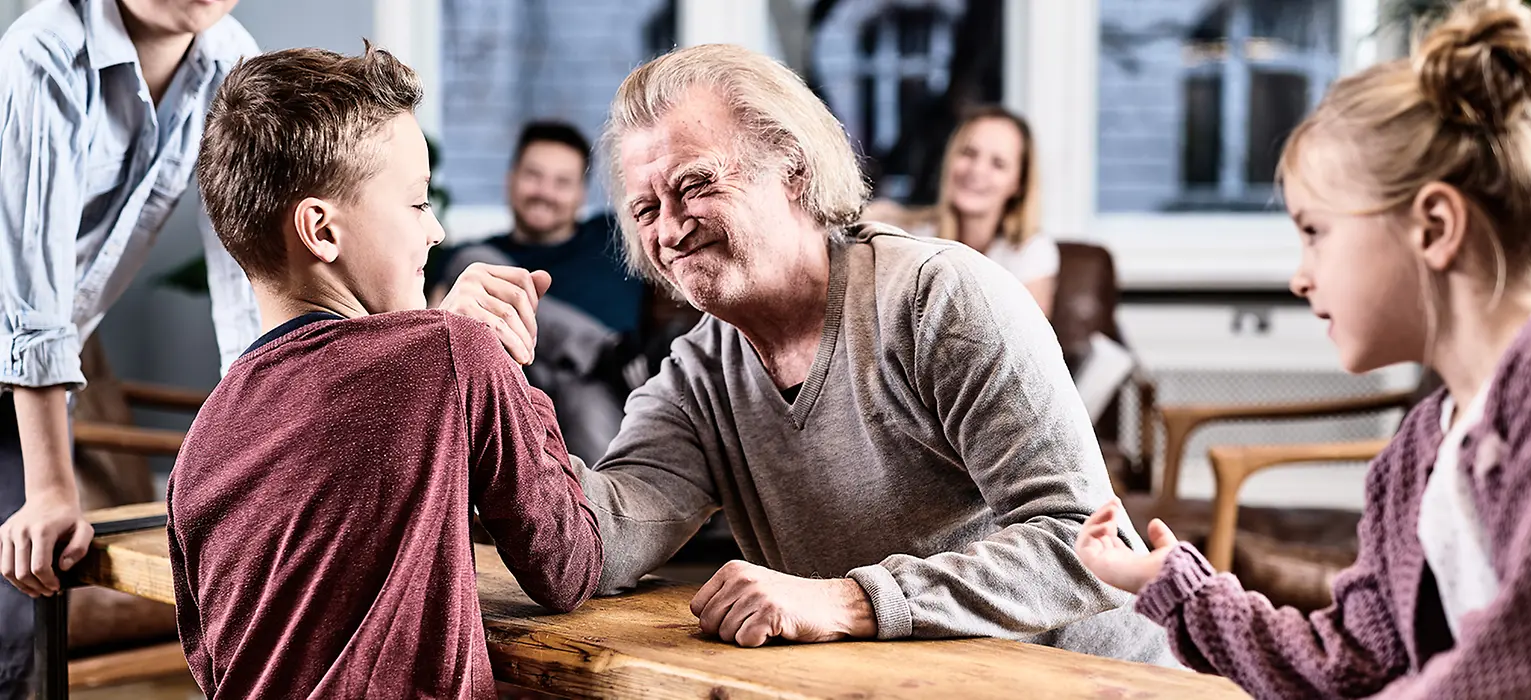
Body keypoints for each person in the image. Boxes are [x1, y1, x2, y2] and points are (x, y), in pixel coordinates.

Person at [441, 43, 1176, 664]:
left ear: (792, 168)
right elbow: (583, 549)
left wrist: (849, 601)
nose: (668, 229)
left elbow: (1080, 547)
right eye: (644, 210)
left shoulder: (940, 298)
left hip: (1091, 679)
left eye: (696, 185)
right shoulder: (700, 377)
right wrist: (474, 365)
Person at [1074, 1, 1531, 697]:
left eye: (1316, 231)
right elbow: (1349, 662)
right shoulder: (1418, 451)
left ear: (1434, 225)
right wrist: (1177, 587)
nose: (1300, 275)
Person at [167, 46, 602, 699]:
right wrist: (503, 365)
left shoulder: (199, 450)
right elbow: (568, 564)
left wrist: (442, 342)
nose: (435, 231)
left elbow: (218, 664)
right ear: (321, 230)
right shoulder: (455, 355)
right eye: (418, 204)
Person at [0, 0, 261, 695]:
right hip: (27, 358)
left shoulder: (229, 57)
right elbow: (34, 298)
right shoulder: (44, 52)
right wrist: (54, 489)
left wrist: (263, 457)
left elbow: (243, 284)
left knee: (23, 632)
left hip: (23, 385)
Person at [430, 121, 650, 465]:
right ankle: (603, 350)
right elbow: (432, 330)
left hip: (603, 395)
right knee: (469, 261)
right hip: (520, 390)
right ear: (511, 180)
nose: (545, 191)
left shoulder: (612, 236)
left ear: (581, 193)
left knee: (581, 391)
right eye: (534, 175)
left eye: (562, 182)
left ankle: (601, 513)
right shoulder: (485, 254)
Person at [864, 106, 1057, 315]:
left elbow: (1027, 342)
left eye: (998, 164)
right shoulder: (911, 235)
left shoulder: (1031, 250)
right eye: (968, 153)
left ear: (1019, 183)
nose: (977, 170)